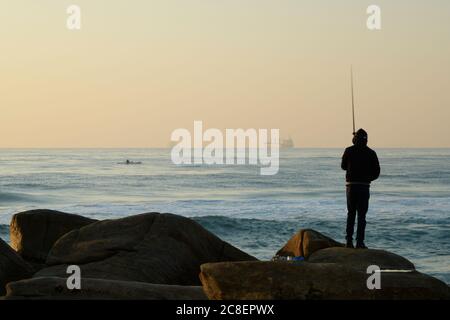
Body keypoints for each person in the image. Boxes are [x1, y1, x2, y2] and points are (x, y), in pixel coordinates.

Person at [341, 129, 380, 249]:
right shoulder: (371, 153)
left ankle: (348, 242)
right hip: (364, 187)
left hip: (351, 186)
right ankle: (360, 242)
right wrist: (368, 179)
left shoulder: (349, 150)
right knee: (362, 216)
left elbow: (343, 166)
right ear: (366, 140)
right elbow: (377, 172)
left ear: (354, 139)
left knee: (351, 214)